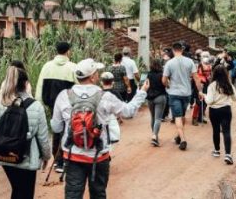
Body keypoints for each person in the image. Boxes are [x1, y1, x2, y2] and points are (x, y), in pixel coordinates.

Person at [51, 58, 148, 199]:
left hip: (73, 155)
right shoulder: (105, 97)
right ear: (92, 77)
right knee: (98, 194)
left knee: (72, 195)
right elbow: (128, 112)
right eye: (97, 71)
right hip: (98, 156)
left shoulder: (64, 96)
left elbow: (56, 126)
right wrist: (142, 92)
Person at [0, 66, 51, 199]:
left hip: (6, 157)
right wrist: (47, 157)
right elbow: (43, 138)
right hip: (26, 157)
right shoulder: (36, 107)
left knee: (17, 189)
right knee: (26, 193)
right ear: (26, 84)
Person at [35, 41, 76, 172]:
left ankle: (57, 160)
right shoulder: (73, 67)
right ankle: (63, 160)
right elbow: (78, 87)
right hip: (69, 106)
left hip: (52, 105)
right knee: (68, 130)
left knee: (56, 130)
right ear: (68, 51)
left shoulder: (47, 66)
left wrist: (39, 103)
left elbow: (40, 86)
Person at [162, 42, 204, 151]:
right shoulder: (189, 61)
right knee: (182, 115)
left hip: (174, 93)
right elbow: (196, 78)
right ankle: (178, 135)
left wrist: (168, 85)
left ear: (173, 50)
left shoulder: (169, 63)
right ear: (182, 50)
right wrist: (200, 91)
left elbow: (164, 80)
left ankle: (183, 139)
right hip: (186, 93)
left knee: (177, 117)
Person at [205, 64, 236, 165]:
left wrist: (205, 96)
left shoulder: (212, 86)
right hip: (226, 110)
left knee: (215, 130)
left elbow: (209, 101)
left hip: (214, 111)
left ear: (214, 74)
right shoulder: (229, 85)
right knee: (226, 131)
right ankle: (228, 154)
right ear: (225, 73)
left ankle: (216, 150)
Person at [146, 58, 168, 146]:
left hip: (150, 98)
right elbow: (166, 84)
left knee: (153, 117)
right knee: (158, 118)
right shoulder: (162, 74)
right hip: (160, 97)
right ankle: (154, 136)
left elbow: (146, 85)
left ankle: (155, 135)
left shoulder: (149, 74)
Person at [192, 52, 212, 125]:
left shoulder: (209, 64)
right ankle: (194, 118)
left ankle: (201, 117)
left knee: (205, 101)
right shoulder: (198, 65)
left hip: (206, 83)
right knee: (198, 101)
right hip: (199, 83)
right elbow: (196, 75)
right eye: (204, 56)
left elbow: (209, 74)